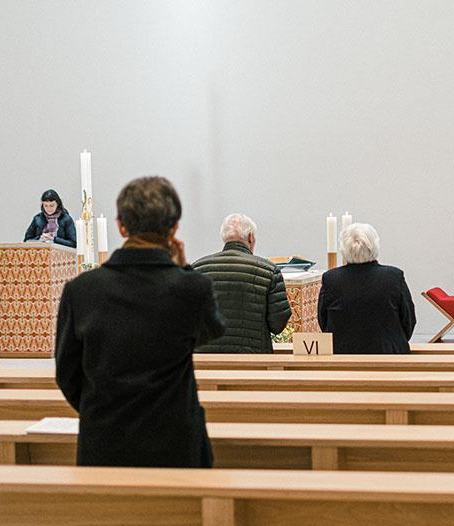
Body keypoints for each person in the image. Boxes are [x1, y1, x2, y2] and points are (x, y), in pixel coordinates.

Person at [55, 176, 225, 467]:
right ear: (173, 228)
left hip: (104, 441)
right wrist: (183, 268)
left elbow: (67, 373)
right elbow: (211, 331)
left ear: (121, 226)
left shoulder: (81, 290)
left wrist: (102, 411)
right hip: (175, 442)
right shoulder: (192, 289)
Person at [193, 213, 291, 353]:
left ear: (224, 237)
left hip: (206, 359)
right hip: (253, 360)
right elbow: (278, 325)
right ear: (251, 237)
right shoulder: (269, 271)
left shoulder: (197, 269)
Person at [318, 223, 416, 354]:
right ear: (375, 246)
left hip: (342, 356)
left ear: (343, 249)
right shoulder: (393, 277)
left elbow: (323, 320)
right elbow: (408, 319)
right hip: (389, 354)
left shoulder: (331, 279)